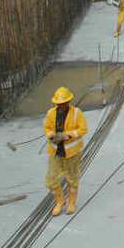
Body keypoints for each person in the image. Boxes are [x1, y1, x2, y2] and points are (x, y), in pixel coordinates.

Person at [44, 86, 87, 217]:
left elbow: (83, 129)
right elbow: (47, 128)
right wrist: (52, 136)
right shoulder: (51, 113)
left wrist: (67, 135)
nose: (61, 105)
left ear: (68, 102)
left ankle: (71, 203)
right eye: (58, 104)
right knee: (51, 180)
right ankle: (60, 202)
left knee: (72, 179)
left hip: (72, 153)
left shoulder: (76, 113)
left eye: (63, 103)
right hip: (55, 152)